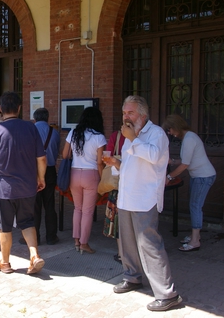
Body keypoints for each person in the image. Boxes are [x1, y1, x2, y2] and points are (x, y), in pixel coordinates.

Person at [104, 95, 182, 312]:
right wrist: (116, 163)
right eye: (123, 113)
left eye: (130, 113)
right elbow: (134, 164)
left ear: (143, 115)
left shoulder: (155, 134)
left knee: (149, 245)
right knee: (127, 243)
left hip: (144, 198)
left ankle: (168, 294)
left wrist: (133, 139)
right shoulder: (129, 137)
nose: (125, 117)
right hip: (127, 197)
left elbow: (155, 157)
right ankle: (132, 277)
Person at [0, 91, 47, 274]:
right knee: (27, 222)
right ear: (19, 108)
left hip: (4, 189)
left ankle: (5, 263)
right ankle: (34, 255)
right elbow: (41, 158)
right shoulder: (31, 128)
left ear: (0, 108)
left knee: (5, 225)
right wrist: (40, 179)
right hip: (27, 187)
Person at [162, 114, 216, 252]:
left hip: (202, 177)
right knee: (194, 206)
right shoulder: (189, 137)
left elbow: (185, 164)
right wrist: (172, 161)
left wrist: (169, 176)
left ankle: (195, 241)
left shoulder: (189, 139)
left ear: (176, 127)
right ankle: (194, 235)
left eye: (170, 130)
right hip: (198, 176)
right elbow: (187, 160)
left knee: (195, 206)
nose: (170, 133)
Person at [62, 107, 106, 254]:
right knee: (87, 211)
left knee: (77, 208)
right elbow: (100, 162)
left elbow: (64, 154)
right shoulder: (99, 137)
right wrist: (103, 179)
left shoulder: (73, 133)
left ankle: (76, 240)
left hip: (74, 173)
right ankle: (84, 243)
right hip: (91, 174)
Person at [32, 107, 60, 245]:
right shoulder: (54, 133)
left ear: (35, 118)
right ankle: (51, 236)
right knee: (49, 204)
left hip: (34, 171)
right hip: (49, 170)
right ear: (47, 118)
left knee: (34, 206)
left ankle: (34, 237)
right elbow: (56, 153)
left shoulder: (30, 131)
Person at [104, 129, 126, 263]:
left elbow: (107, 159)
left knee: (118, 220)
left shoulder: (116, 136)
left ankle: (121, 254)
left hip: (117, 186)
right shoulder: (142, 137)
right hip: (135, 186)